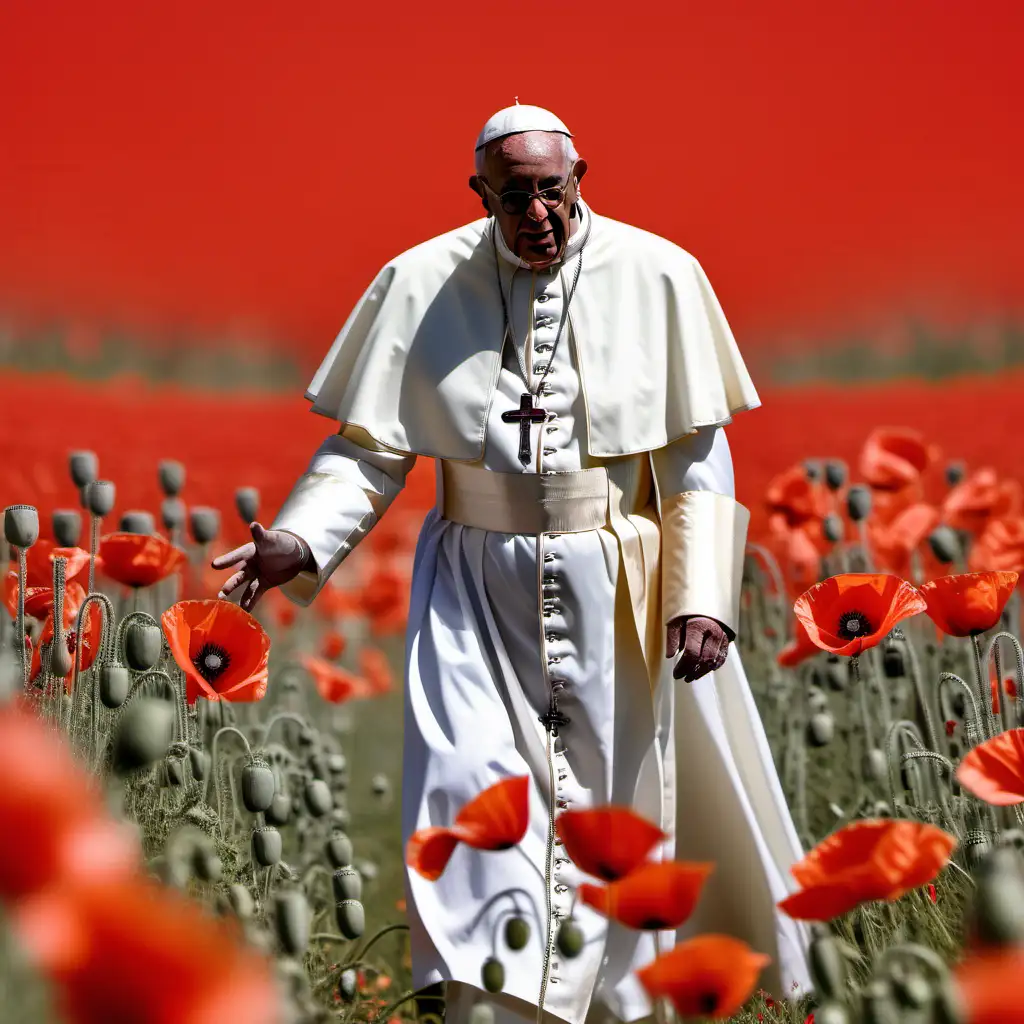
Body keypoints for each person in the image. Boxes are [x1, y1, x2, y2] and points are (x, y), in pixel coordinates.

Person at [212, 103, 812, 1024]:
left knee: (616, 813)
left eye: (552, 191)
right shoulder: (422, 280)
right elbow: (373, 449)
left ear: (582, 180)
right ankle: (491, 1009)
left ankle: (621, 1004)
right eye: (514, 196)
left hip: (617, 583)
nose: (537, 214)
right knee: (468, 800)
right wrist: (301, 538)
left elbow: (696, 456)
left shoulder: (658, 274)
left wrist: (701, 598)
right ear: (478, 192)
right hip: (471, 594)